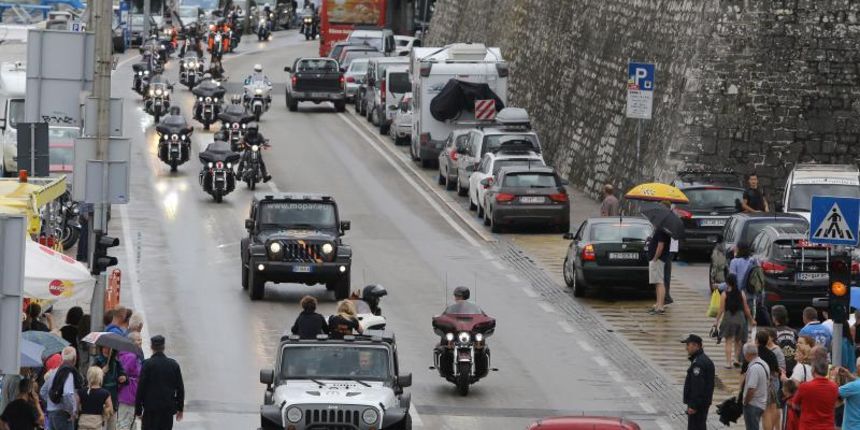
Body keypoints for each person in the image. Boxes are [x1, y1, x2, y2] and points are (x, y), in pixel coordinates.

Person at [135, 335, 185, 430]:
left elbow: (141, 388)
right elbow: (180, 388)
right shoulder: (173, 365)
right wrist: (180, 408)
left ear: (151, 347)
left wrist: (138, 410)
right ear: (164, 347)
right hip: (167, 409)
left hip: (150, 409)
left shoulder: (147, 364)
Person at [714, 274, 753, 369]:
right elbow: (746, 308)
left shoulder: (724, 294)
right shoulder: (741, 293)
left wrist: (716, 321)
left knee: (728, 341)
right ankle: (736, 359)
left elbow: (721, 309)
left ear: (727, 283)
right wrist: (751, 320)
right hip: (740, 319)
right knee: (738, 341)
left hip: (728, 318)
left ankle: (728, 363)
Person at [40, 347, 82, 430]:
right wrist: (71, 410)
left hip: (51, 413)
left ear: (62, 358)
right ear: (75, 359)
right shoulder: (68, 372)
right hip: (62, 414)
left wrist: (51, 402)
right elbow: (67, 393)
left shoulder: (54, 372)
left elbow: (43, 391)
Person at [793, 357, 838, 430]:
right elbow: (834, 405)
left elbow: (794, 405)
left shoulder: (805, 387)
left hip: (808, 427)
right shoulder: (834, 387)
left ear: (813, 370)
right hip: (828, 427)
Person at [681, 334, 714, 430]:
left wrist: (693, 405)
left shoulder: (698, 363)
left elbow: (698, 386)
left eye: (688, 345)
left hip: (699, 405)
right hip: (702, 403)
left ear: (696, 346)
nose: (686, 348)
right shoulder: (702, 360)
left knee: (695, 427)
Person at [94, 347, 127, 429]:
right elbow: (92, 379)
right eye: (105, 347)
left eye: (109, 348)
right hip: (101, 396)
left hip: (113, 395)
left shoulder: (116, 362)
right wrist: (101, 372)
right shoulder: (97, 361)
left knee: (112, 423)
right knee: (102, 423)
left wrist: (123, 377)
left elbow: (123, 374)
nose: (107, 349)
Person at [759, 329, 783, 430]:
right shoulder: (768, 351)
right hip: (771, 382)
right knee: (773, 408)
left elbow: (781, 367)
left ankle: (775, 427)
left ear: (771, 338)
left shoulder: (776, 351)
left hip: (772, 382)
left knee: (769, 410)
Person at [117, 333, 142, 430]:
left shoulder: (130, 354)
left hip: (129, 394)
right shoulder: (131, 356)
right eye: (138, 340)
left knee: (127, 423)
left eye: (140, 339)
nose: (140, 342)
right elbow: (123, 374)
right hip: (128, 394)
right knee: (125, 424)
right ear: (131, 342)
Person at [742, 343, 769, 430]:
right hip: (761, 403)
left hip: (753, 404)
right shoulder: (764, 364)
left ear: (747, 354)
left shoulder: (754, 368)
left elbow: (751, 389)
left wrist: (745, 402)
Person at [646, 220, 671, 316]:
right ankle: (658, 305)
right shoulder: (664, 229)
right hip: (659, 259)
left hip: (658, 260)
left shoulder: (661, 230)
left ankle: (660, 307)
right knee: (657, 282)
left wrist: (655, 258)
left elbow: (660, 246)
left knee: (659, 282)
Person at [770, 305, 797, 375]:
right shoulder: (794, 332)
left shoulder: (772, 332)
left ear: (775, 318)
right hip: (793, 367)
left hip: (779, 368)